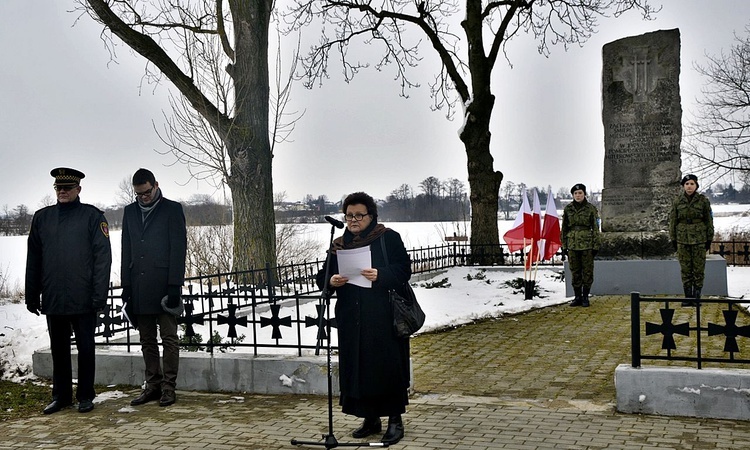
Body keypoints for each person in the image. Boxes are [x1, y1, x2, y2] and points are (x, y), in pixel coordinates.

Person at [315, 192, 411, 445]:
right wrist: (332, 281)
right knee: (359, 368)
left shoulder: (387, 238)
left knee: (386, 367)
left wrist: (380, 274)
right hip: (351, 317)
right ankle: (370, 418)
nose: (354, 220)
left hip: (383, 315)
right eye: (349, 216)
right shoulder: (339, 243)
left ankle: (394, 420)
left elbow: (403, 270)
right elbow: (323, 277)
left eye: (359, 215)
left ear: (371, 215)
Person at [25, 167, 112, 414]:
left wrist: (99, 295)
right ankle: (61, 395)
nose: (62, 192)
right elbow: (34, 258)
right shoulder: (42, 218)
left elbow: (102, 258)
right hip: (53, 296)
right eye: (59, 188)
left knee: (85, 348)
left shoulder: (93, 217)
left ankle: (85, 395)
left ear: (78, 189)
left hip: (83, 296)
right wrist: (32, 294)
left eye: (67, 188)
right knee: (58, 349)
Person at [121, 168, 187, 407]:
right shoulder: (129, 212)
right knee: (147, 340)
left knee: (169, 339)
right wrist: (126, 285)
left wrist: (174, 285)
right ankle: (153, 385)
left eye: (147, 192)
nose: (144, 197)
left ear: (156, 185)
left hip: (164, 286)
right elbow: (126, 248)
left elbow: (178, 250)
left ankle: (169, 387)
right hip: (138, 285)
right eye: (139, 194)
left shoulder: (172, 209)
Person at [669, 174, 714, 306]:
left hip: (699, 239)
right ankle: (688, 297)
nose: (689, 187)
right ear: (683, 186)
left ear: (696, 186)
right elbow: (673, 221)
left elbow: (708, 220)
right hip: (682, 239)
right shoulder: (677, 201)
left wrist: (709, 238)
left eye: (692, 184)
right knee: (686, 269)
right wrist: (673, 239)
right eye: (687, 184)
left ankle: (697, 297)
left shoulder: (703, 201)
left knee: (699, 269)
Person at [561, 183, 601, 307]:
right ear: (573, 195)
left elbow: (595, 228)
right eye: (576, 194)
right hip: (572, 244)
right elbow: (564, 228)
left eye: (580, 193)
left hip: (587, 244)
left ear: (584, 194)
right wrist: (564, 245)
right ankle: (577, 297)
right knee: (575, 271)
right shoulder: (568, 209)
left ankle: (585, 297)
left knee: (587, 272)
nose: (578, 195)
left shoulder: (591, 209)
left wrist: (596, 245)